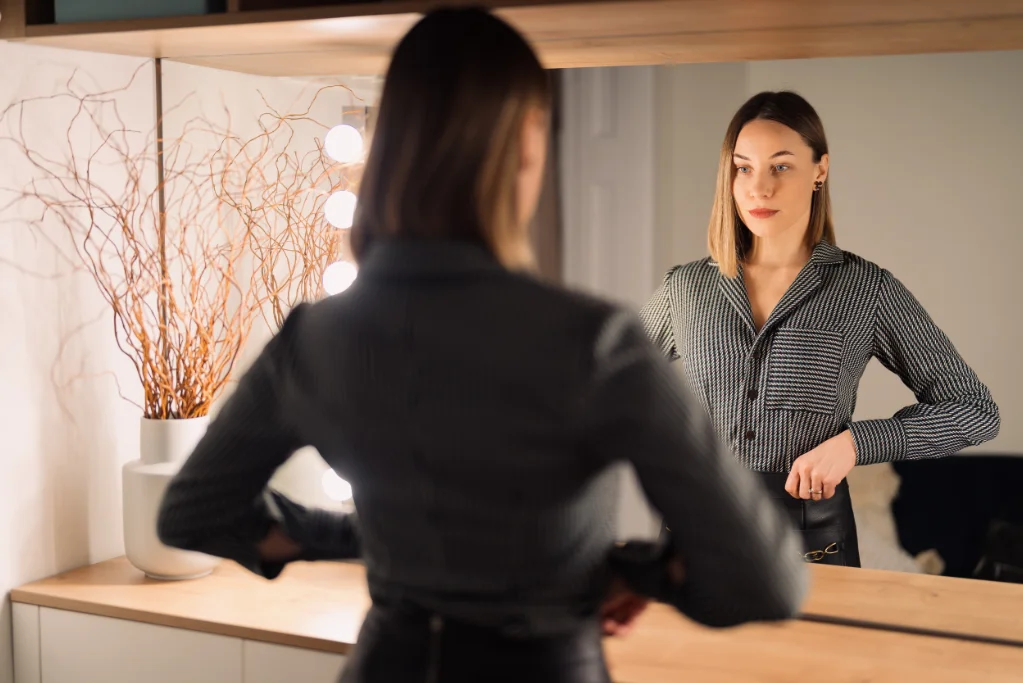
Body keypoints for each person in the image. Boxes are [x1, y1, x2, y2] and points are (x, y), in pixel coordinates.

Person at [156, 10, 808, 683]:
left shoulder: (313, 339)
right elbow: (764, 579)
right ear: (528, 139)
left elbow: (193, 512)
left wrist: (371, 544)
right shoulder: (593, 343)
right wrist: (618, 569)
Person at [640, 90, 1000, 568]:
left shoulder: (865, 289)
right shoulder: (684, 288)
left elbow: (975, 410)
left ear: (820, 170)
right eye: (743, 167)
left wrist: (856, 443)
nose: (759, 188)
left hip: (812, 544)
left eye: (781, 166)